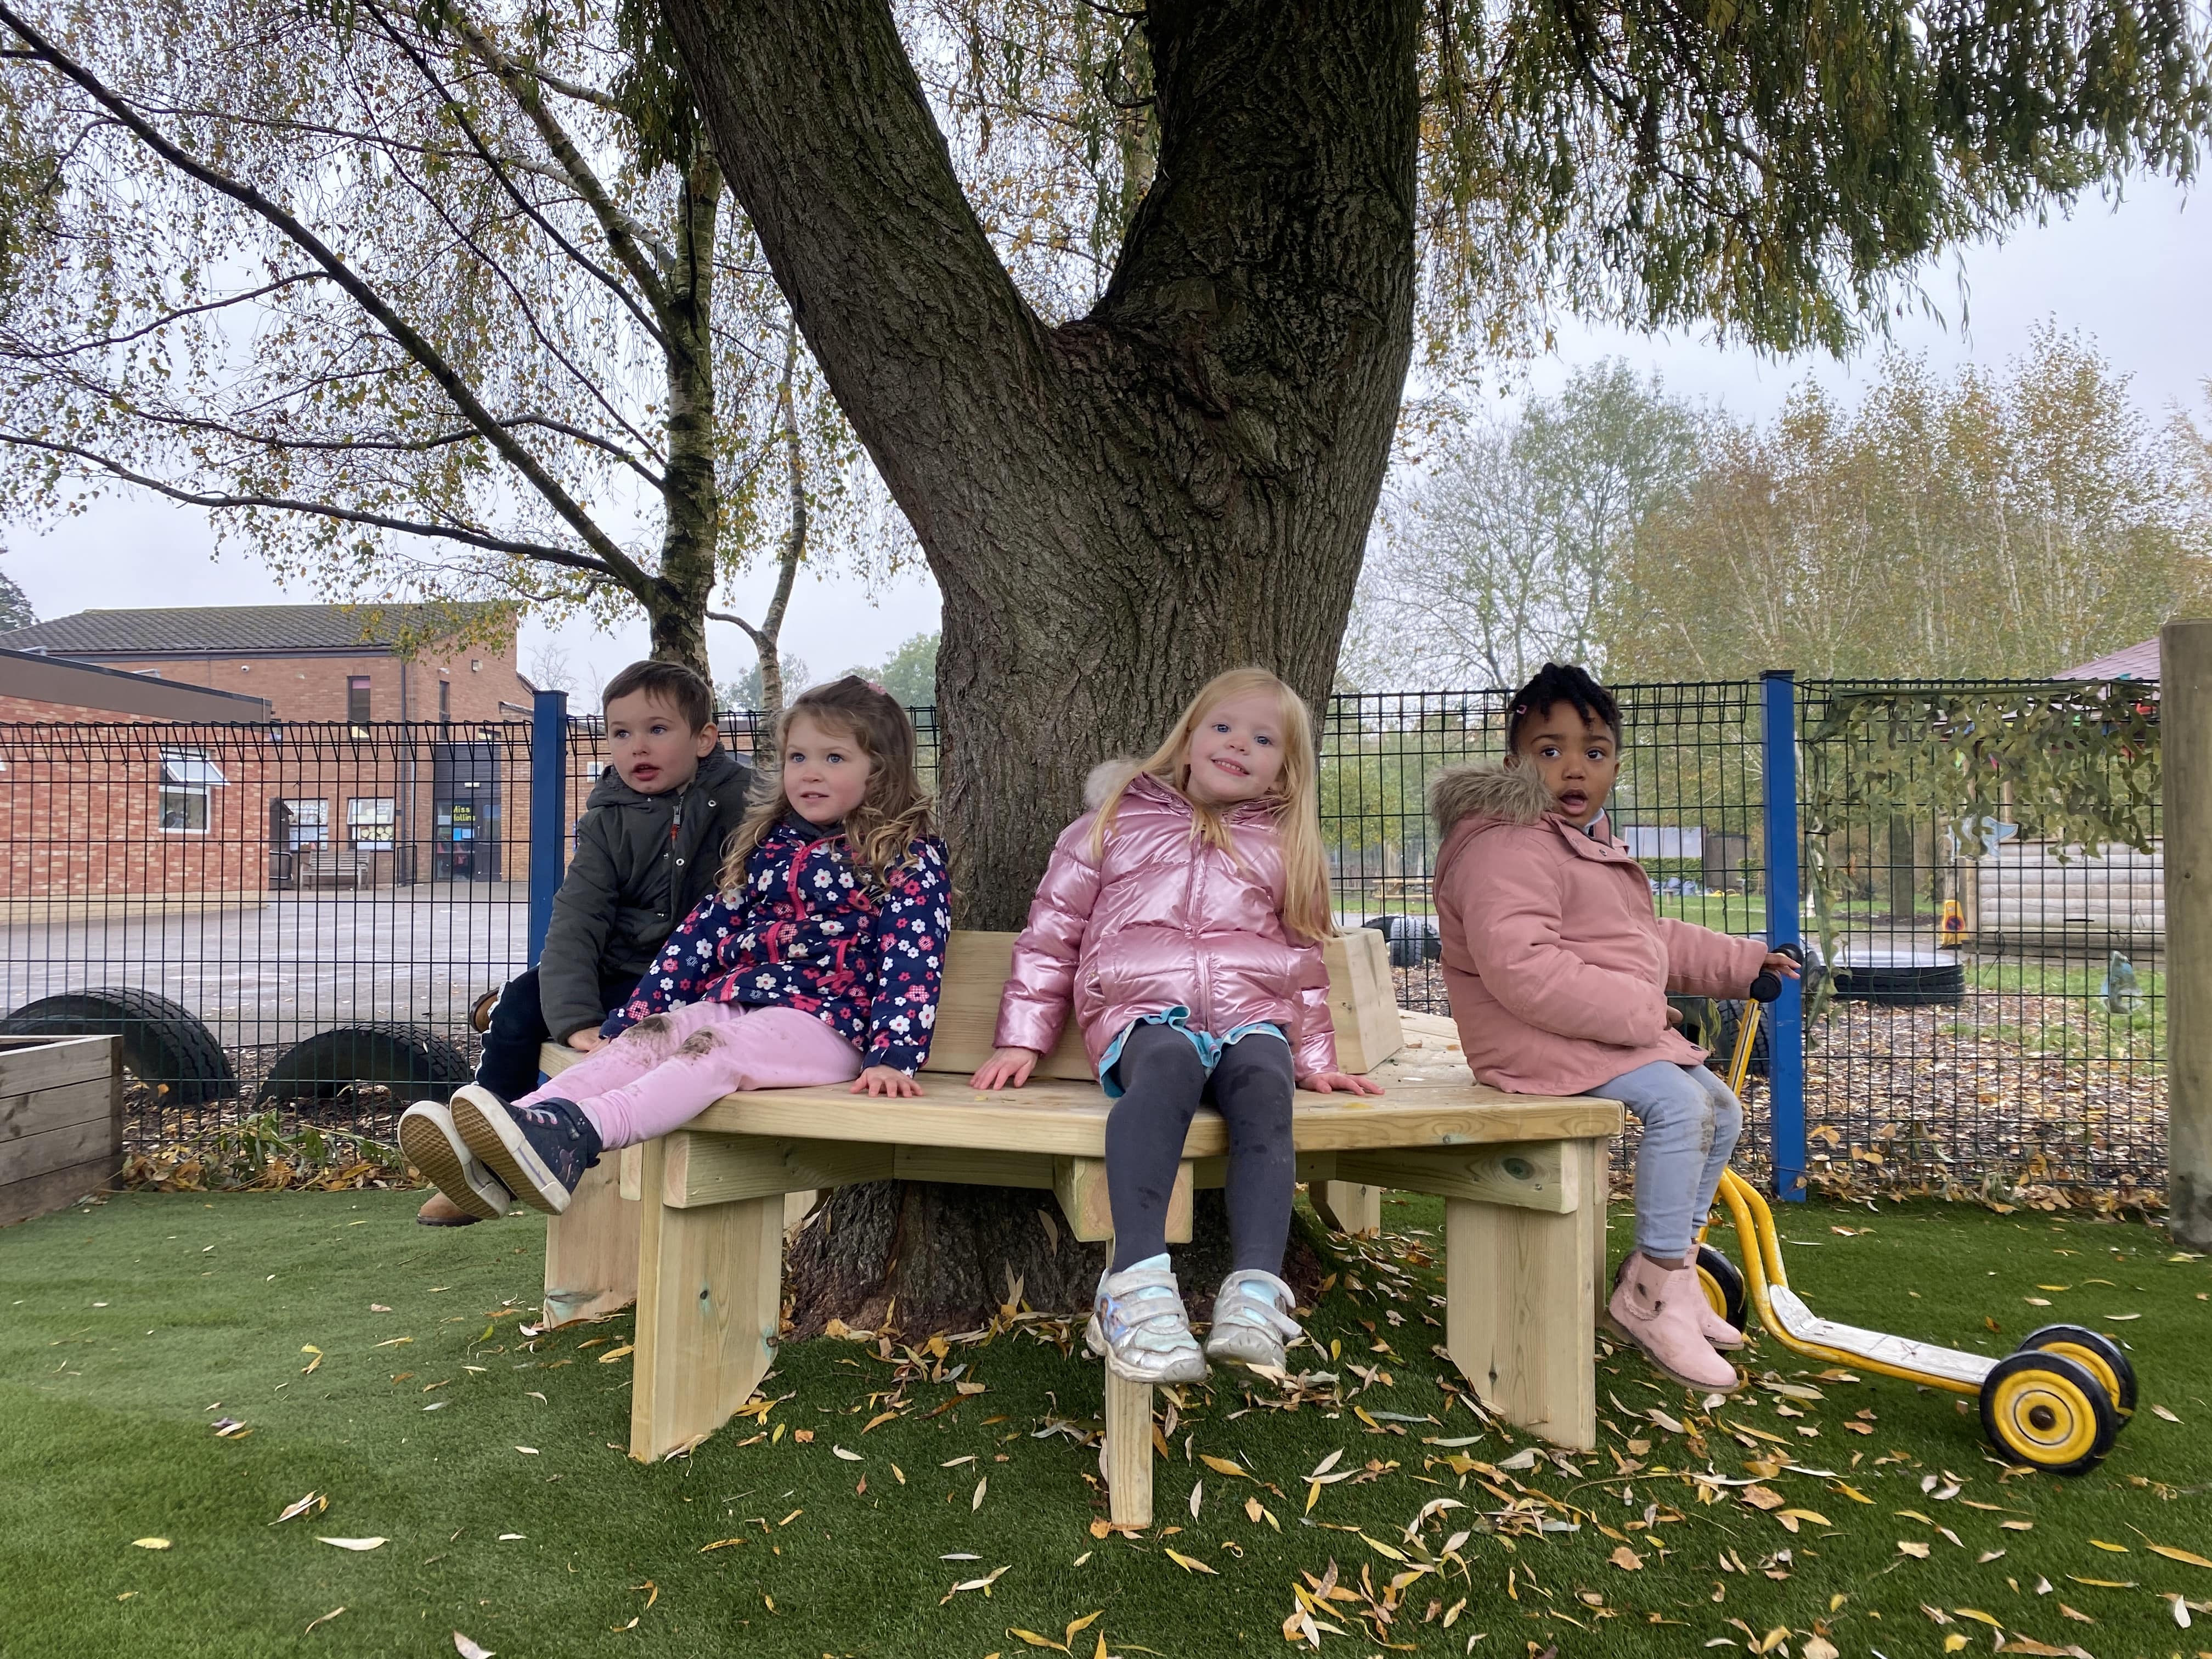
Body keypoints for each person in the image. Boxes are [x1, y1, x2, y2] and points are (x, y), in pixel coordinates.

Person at [402, 676, 949, 1216]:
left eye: (834, 759)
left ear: (879, 771)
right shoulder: (771, 845)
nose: (809, 773)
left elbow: (913, 958)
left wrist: (893, 1057)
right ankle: (509, 1134)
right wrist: (635, 1016)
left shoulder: (902, 856)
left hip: (831, 1024)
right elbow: (701, 936)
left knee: (713, 1050)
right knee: (648, 1039)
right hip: (746, 1003)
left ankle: (576, 1135)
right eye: (798, 757)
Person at [972, 668, 1383, 1384]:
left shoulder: (1284, 846)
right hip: (1140, 1008)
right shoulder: (1113, 821)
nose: (1238, 745)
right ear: (1188, 739)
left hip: (1249, 1014)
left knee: (1265, 1083)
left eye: (1263, 739)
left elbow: (1303, 962)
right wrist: (1023, 1036)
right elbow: (1051, 933)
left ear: (1284, 767)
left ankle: (1255, 1294)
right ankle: (1133, 1284)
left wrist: (1315, 1056)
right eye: (1222, 727)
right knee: (1167, 1068)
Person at [1429, 663, 1798, 1393]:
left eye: (1594, 753)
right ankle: (1649, 1297)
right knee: (1682, 1105)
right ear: (1516, 762)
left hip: (1576, 1030)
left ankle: (1671, 1274)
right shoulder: (1506, 846)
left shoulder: (1582, 841)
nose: (1575, 768)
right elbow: (1524, 972)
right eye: (1551, 749)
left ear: (1615, 766)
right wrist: (1639, 1013)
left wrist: (1743, 963)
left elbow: (1639, 938)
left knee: (1719, 1107)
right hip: (1526, 1039)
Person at [410, 659, 754, 1224]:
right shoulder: (609, 818)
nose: (637, 746)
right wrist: (573, 1019)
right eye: (621, 733)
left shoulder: (746, 802)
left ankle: (517, 1160)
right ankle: (484, 1157)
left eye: (657, 730)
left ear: (704, 738)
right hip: (623, 968)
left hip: (699, 978)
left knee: (672, 1040)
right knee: (521, 1006)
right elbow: (577, 916)